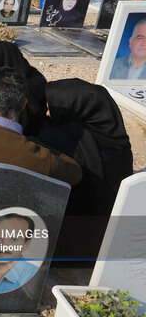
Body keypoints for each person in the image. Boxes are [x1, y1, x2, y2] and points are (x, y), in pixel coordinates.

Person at [38, 78, 133, 260]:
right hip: (111, 236)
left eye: (52, 106)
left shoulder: (61, 139)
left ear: (73, 106)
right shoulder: (117, 135)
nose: (48, 113)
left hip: (72, 241)